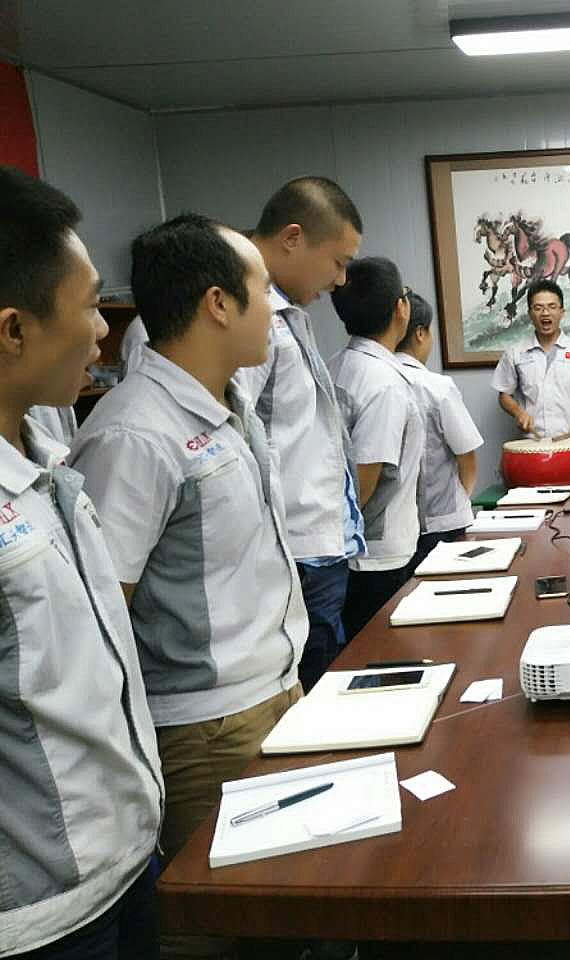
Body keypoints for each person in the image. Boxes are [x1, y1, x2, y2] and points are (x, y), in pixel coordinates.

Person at [68, 213, 307, 957]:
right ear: (219, 304)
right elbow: (103, 612)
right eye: (263, 292)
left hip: (271, 693)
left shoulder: (226, 406)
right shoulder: (134, 433)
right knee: (226, 934)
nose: (275, 311)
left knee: (283, 922)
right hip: (204, 728)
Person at [0, 166, 163, 959]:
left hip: (122, 861)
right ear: (13, 330)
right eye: (92, 305)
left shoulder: (47, 461)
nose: (105, 332)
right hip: (42, 917)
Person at [238, 176, 364, 691]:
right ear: (293, 238)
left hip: (317, 545)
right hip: (293, 549)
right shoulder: (253, 316)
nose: (340, 280)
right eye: (338, 262)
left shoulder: (288, 312)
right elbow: (236, 432)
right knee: (311, 692)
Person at [328, 258, 425, 638]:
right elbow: (365, 480)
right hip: (378, 557)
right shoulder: (384, 383)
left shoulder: (334, 365)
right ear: (401, 308)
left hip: (348, 552)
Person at [397, 293, 484, 571]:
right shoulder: (437, 386)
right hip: (442, 524)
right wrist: (460, 503)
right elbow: (467, 456)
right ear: (421, 333)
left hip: (393, 530)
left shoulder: (370, 378)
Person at [491, 278, 570, 439]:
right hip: (533, 442)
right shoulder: (515, 353)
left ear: (562, 312)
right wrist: (518, 412)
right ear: (530, 314)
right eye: (538, 308)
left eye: (552, 307)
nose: (545, 313)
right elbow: (504, 394)